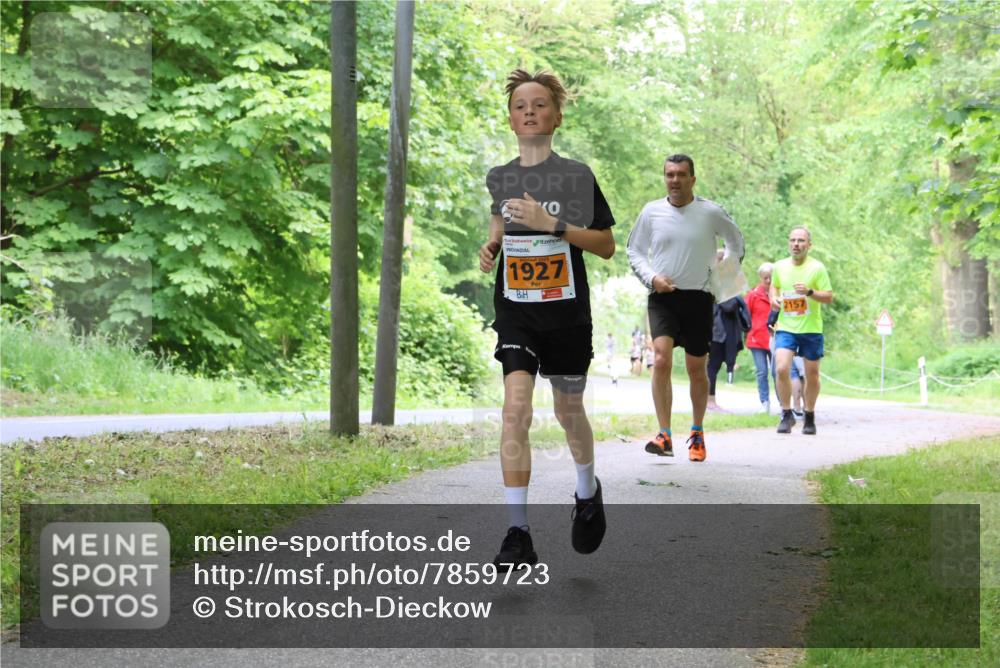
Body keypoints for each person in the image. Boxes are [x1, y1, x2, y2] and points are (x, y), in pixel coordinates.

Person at [479, 69, 616, 568]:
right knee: (515, 409)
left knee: (567, 411)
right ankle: (518, 533)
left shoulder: (576, 176)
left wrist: (551, 224)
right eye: (520, 106)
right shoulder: (500, 176)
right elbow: (499, 217)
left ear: (556, 116)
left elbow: (605, 245)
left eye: (539, 104)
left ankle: (587, 491)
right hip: (516, 311)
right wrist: (492, 244)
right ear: (511, 119)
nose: (529, 111)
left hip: (566, 315)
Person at [627, 154, 744, 462]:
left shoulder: (710, 212)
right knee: (661, 358)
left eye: (681, 174)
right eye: (669, 174)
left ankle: (697, 432)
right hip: (662, 296)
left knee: (696, 367)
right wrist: (652, 278)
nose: (675, 180)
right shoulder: (651, 212)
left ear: (693, 179)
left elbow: (736, 242)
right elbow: (635, 250)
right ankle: (664, 434)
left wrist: (722, 278)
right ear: (664, 178)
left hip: (698, 298)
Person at [770, 226, 834, 434]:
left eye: (800, 241)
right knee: (781, 368)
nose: (796, 244)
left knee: (811, 374)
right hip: (786, 327)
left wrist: (809, 292)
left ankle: (809, 414)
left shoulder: (817, 268)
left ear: (809, 245)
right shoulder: (779, 266)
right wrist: (774, 298)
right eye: (793, 240)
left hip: (811, 328)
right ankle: (786, 414)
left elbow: (828, 297)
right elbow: (774, 286)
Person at [706, 293, 747, 412]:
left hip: (718, 334)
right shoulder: (725, 294)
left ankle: (709, 401)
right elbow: (730, 307)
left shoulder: (716, 293)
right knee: (712, 368)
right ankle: (710, 402)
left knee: (711, 367)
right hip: (719, 335)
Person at [746, 262, 777, 413]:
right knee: (762, 372)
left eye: (771, 277)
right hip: (757, 339)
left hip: (775, 338)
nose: (768, 281)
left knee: (777, 372)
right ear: (760, 278)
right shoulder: (753, 295)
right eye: (765, 278)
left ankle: (783, 404)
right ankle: (764, 402)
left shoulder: (778, 293)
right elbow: (745, 315)